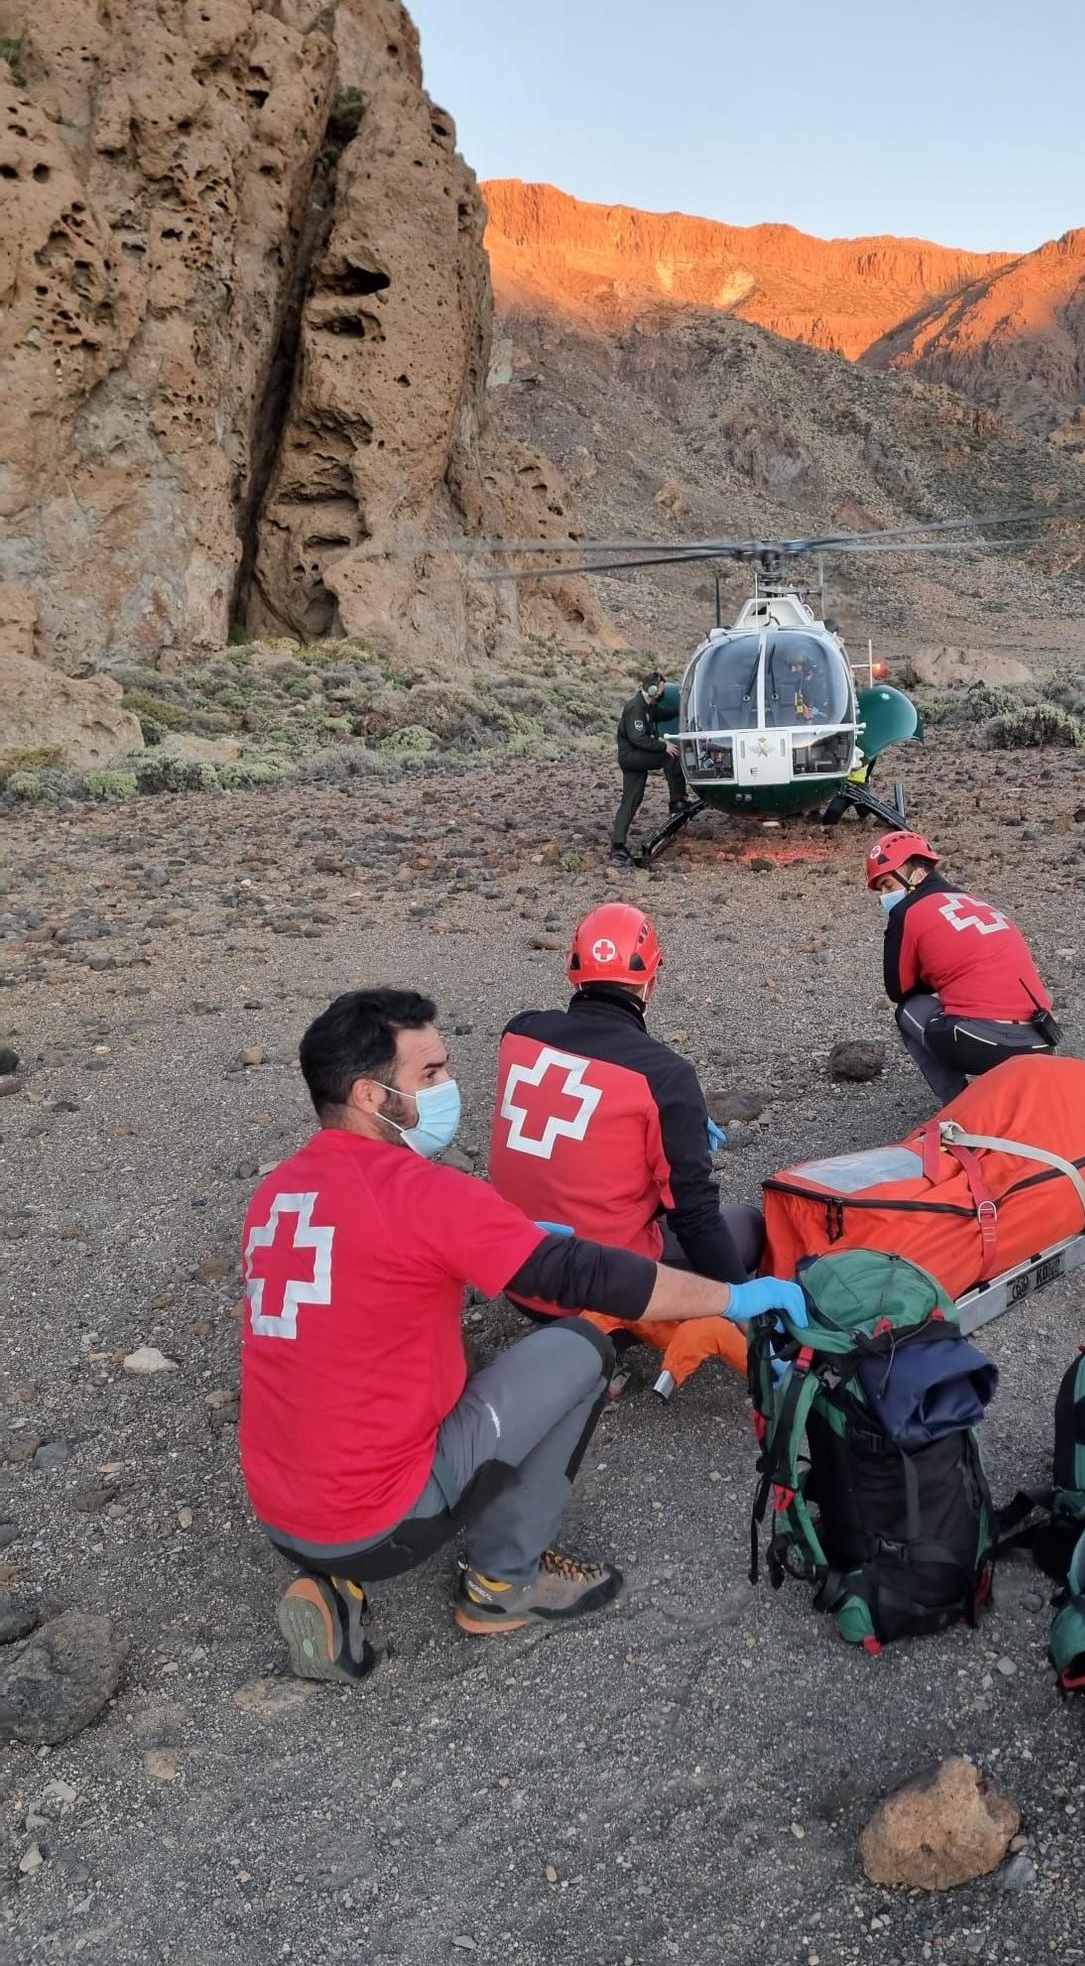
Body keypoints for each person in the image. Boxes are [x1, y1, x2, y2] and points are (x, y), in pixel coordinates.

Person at [240, 987, 804, 1683]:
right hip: (383, 1519)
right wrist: (735, 1295)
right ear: (371, 1096)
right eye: (431, 1075)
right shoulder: (422, 1195)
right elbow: (593, 1277)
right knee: (583, 1347)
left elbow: (380, 1268)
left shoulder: (278, 1195)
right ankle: (503, 1582)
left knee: (420, 1351)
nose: (451, 1088)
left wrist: (509, 1237)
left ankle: (329, 1582)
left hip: (281, 1511)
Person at [491, 903, 764, 1286]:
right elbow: (694, 1218)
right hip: (604, 1286)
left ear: (573, 972)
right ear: (651, 979)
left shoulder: (520, 1031)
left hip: (516, 1269)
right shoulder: (665, 1077)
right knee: (749, 1227)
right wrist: (743, 1302)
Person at [867, 830, 1059, 1106]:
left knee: (909, 1009)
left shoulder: (906, 912)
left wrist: (931, 977)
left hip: (985, 1045)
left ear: (918, 874)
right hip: (1043, 1041)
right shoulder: (977, 903)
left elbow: (898, 989)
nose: (884, 897)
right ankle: (1020, 1091)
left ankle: (959, 1105)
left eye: (887, 886)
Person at [611, 670, 691, 865]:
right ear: (653, 689)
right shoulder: (635, 709)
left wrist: (682, 709)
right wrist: (663, 745)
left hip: (633, 758)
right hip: (632, 757)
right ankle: (678, 801)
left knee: (632, 799)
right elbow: (638, 739)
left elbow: (661, 714)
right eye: (661, 689)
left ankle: (617, 845)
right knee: (670, 756)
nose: (663, 693)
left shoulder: (647, 707)